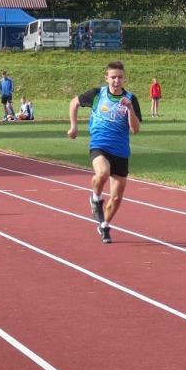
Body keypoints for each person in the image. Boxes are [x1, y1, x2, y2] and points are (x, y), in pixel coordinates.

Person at [68, 61, 142, 244]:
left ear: (124, 78)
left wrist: (130, 109)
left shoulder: (131, 99)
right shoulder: (97, 94)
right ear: (107, 78)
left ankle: (104, 225)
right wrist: (74, 127)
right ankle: (95, 198)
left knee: (116, 197)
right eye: (113, 77)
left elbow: (135, 129)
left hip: (121, 151)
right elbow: (74, 103)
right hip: (100, 145)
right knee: (102, 172)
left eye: (120, 77)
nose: (116, 81)